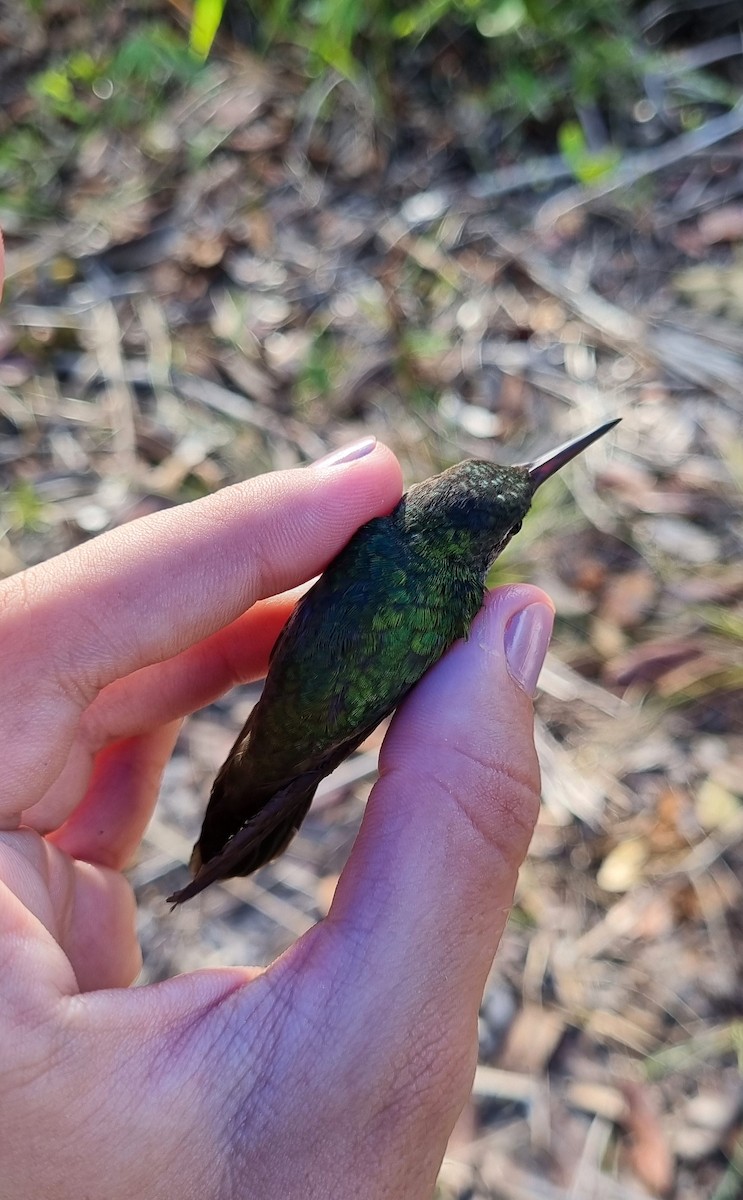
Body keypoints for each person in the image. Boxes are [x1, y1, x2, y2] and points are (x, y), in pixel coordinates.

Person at [0, 230, 554, 1199]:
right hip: (309, 716)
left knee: (273, 772)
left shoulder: (385, 543)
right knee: (273, 775)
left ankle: (236, 830)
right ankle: (237, 832)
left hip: (304, 708)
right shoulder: (454, 600)